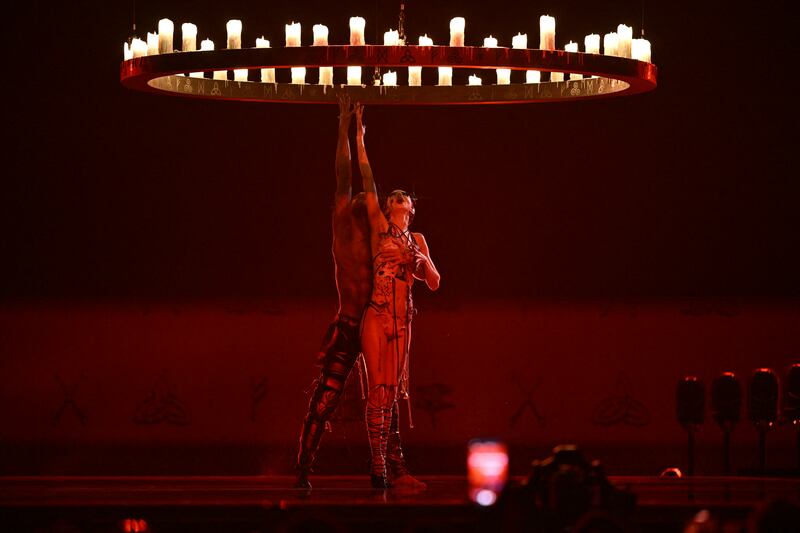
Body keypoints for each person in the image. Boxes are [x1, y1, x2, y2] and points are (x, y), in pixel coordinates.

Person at [355, 104, 440, 488]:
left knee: (391, 392)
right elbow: (368, 181)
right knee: (377, 389)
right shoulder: (379, 228)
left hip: (402, 319)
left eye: (404, 198)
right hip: (377, 313)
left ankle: (387, 468)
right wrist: (359, 139)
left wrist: (421, 260)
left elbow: (435, 282)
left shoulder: (417, 240)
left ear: (412, 209)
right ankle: (378, 465)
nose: (398, 200)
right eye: (394, 198)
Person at [294, 95, 371, 489]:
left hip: (372, 324)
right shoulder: (343, 227)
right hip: (347, 324)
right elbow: (344, 175)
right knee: (325, 399)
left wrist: (360, 138)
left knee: (386, 400)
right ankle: (304, 464)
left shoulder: (378, 236)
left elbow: (365, 183)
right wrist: (346, 127)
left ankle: (388, 469)